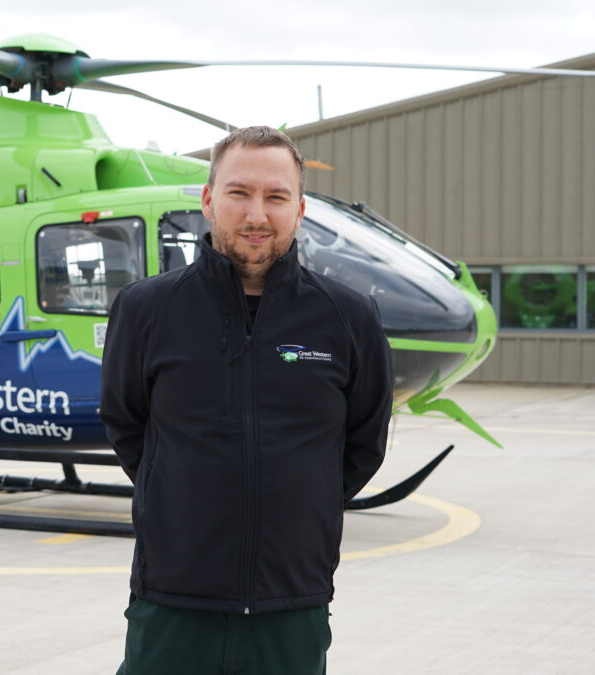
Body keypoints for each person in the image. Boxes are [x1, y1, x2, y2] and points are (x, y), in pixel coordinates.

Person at [99, 126, 393, 674]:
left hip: (292, 602)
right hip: (173, 600)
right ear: (209, 201)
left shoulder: (348, 318)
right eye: (239, 193)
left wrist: (303, 504)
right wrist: (179, 495)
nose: (257, 214)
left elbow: (363, 444)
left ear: (300, 209)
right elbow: (126, 423)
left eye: (276, 197)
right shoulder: (146, 310)